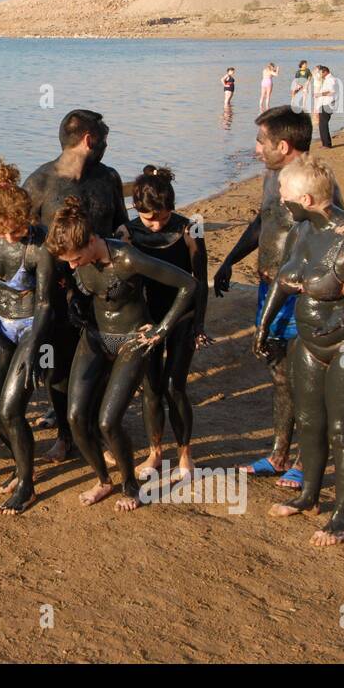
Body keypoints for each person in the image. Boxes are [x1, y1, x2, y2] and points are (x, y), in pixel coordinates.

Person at [259, 156, 344, 546]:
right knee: (309, 422)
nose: (280, 199)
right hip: (309, 342)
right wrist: (264, 325)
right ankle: (308, 495)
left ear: (306, 197)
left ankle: (343, 517)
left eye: (285, 194)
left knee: (342, 433)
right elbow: (284, 282)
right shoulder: (304, 228)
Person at [214, 105, 343, 490]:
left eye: (261, 142)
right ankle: (278, 452)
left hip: (301, 292)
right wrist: (230, 260)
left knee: (305, 374)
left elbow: (337, 234)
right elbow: (263, 223)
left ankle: (306, 458)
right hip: (268, 287)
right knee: (278, 371)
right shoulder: (273, 177)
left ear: (282, 145)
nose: (256, 149)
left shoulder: (317, 183)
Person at [44, 197, 195, 511]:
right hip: (96, 336)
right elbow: (77, 286)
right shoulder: (78, 259)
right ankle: (103, 480)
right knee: (74, 417)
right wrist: (74, 300)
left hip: (131, 339)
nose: (72, 265)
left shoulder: (128, 258)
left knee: (108, 422)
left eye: (75, 259)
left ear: (91, 241)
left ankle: (130, 485)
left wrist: (161, 329)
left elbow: (188, 285)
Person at [22, 109, 130, 462]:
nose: (106, 146)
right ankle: (65, 436)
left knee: (101, 360)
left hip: (102, 289)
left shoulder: (108, 178)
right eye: (104, 140)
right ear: (88, 140)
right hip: (56, 291)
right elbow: (17, 238)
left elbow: (121, 225)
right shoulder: (40, 183)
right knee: (57, 364)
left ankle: (98, 431)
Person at [0, 161, 56, 514]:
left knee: (10, 408)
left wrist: (36, 347)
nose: (10, 237)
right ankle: (20, 466)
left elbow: (48, 303)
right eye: (4, 231)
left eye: (17, 231)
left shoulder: (39, 248)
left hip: (32, 327)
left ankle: (27, 484)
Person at [125, 166, 210, 482]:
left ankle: (185, 454)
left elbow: (200, 280)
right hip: (146, 321)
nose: (157, 223)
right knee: (151, 388)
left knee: (175, 387)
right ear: (137, 209)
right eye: (150, 219)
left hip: (183, 318)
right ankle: (155, 452)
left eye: (162, 216)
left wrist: (200, 323)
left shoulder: (193, 228)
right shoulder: (128, 232)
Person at [313, 65, 338, 148]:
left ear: (325, 72)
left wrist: (319, 94)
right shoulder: (328, 79)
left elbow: (332, 92)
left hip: (327, 104)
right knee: (322, 124)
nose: (320, 75)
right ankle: (325, 143)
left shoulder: (331, 80)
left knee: (323, 124)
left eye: (321, 73)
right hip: (325, 103)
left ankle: (327, 144)